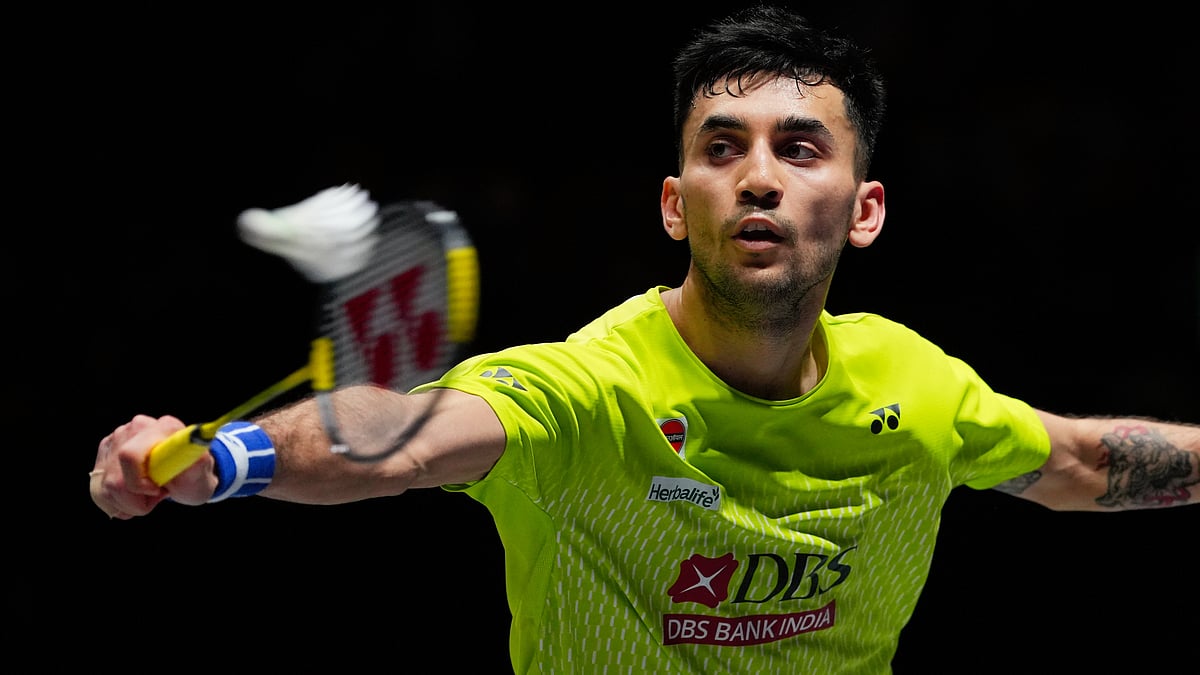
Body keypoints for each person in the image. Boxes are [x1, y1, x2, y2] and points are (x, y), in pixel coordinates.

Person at [89, 5, 1199, 672]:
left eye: (801, 149)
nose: (758, 176)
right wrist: (229, 460)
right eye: (724, 148)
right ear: (677, 203)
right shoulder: (588, 389)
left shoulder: (921, 386)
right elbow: (408, 433)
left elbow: (1079, 465)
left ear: (864, 208)